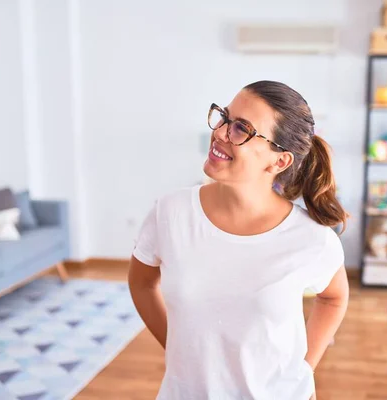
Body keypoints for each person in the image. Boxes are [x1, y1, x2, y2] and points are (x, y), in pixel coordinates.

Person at [128, 80, 349, 400]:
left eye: (241, 129)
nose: (220, 132)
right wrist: (178, 353)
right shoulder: (170, 213)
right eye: (224, 118)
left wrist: (304, 368)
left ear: (279, 161)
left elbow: (334, 298)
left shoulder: (311, 239)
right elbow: (142, 283)